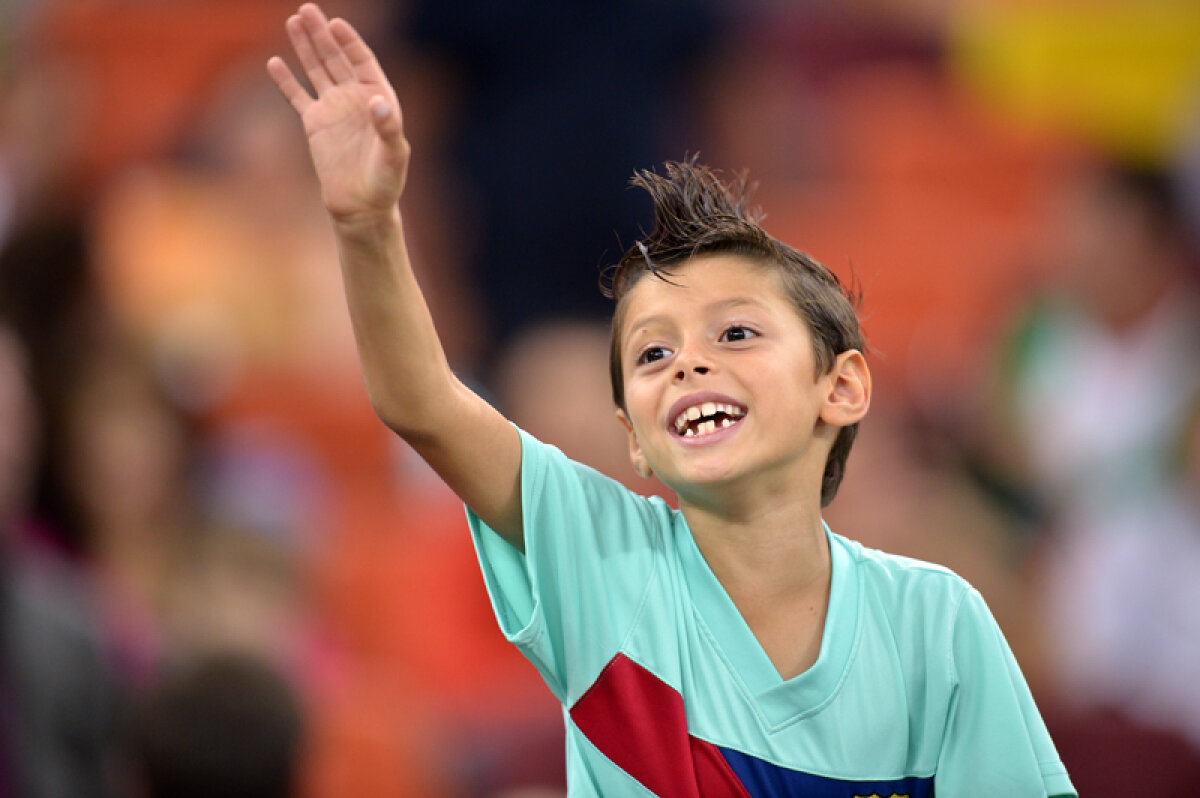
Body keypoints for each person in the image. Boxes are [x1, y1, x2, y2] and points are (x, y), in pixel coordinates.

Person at [267, 5, 1076, 795]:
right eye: (652, 353)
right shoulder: (598, 562)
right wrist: (368, 222)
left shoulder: (939, 622)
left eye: (735, 334)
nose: (687, 364)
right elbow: (423, 404)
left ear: (842, 385)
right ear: (633, 439)